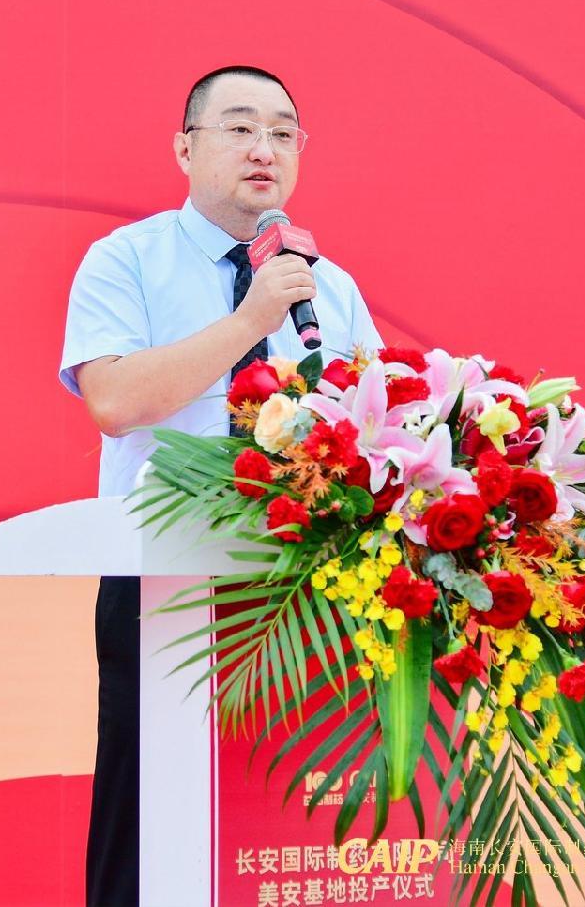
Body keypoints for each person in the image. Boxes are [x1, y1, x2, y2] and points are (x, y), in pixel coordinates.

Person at [58, 65, 384, 906]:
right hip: (163, 584)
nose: (263, 149)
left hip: (303, 593)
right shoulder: (126, 259)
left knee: (282, 818)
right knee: (146, 818)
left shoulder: (329, 285)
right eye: (239, 128)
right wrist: (250, 322)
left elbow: (375, 427)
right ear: (185, 148)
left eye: (282, 132)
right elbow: (114, 400)